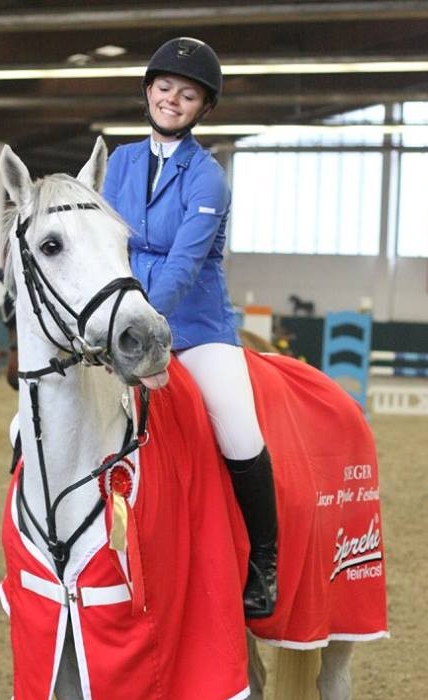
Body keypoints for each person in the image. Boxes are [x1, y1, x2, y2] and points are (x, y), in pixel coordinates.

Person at [102, 36, 278, 618]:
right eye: (164, 88)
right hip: (120, 320)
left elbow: (183, 264)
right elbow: (104, 245)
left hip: (196, 329)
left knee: (239, 431)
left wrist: (140, 320)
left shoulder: (208, 178)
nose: (172, 100)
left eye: (188, 94)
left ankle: (264, 563)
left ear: (204, 107)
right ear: (148, 91)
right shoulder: (120, 163)